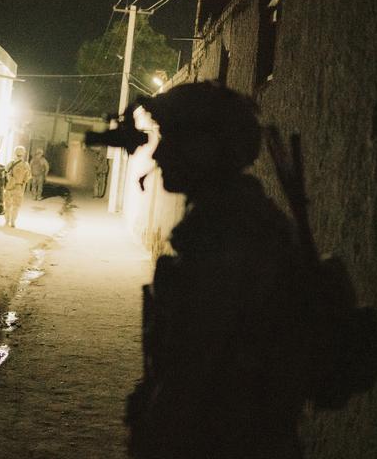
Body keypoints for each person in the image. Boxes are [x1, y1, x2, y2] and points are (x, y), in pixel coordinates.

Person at [123, 83, 318, 459]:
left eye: (171, 137)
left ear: (206, 148)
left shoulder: (229, 231)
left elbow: (198, 366)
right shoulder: (231, 218)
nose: (159, 152)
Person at [3, 145, 31, 227]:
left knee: (7, 205)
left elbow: (4, 173)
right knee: (16, 205)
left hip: (9, 187)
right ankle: (13, 222)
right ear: (23, 154)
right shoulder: (26, 165)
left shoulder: (10, 163)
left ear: (15, 153)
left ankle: (6, 221)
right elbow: (27, 178)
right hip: (19, 187)